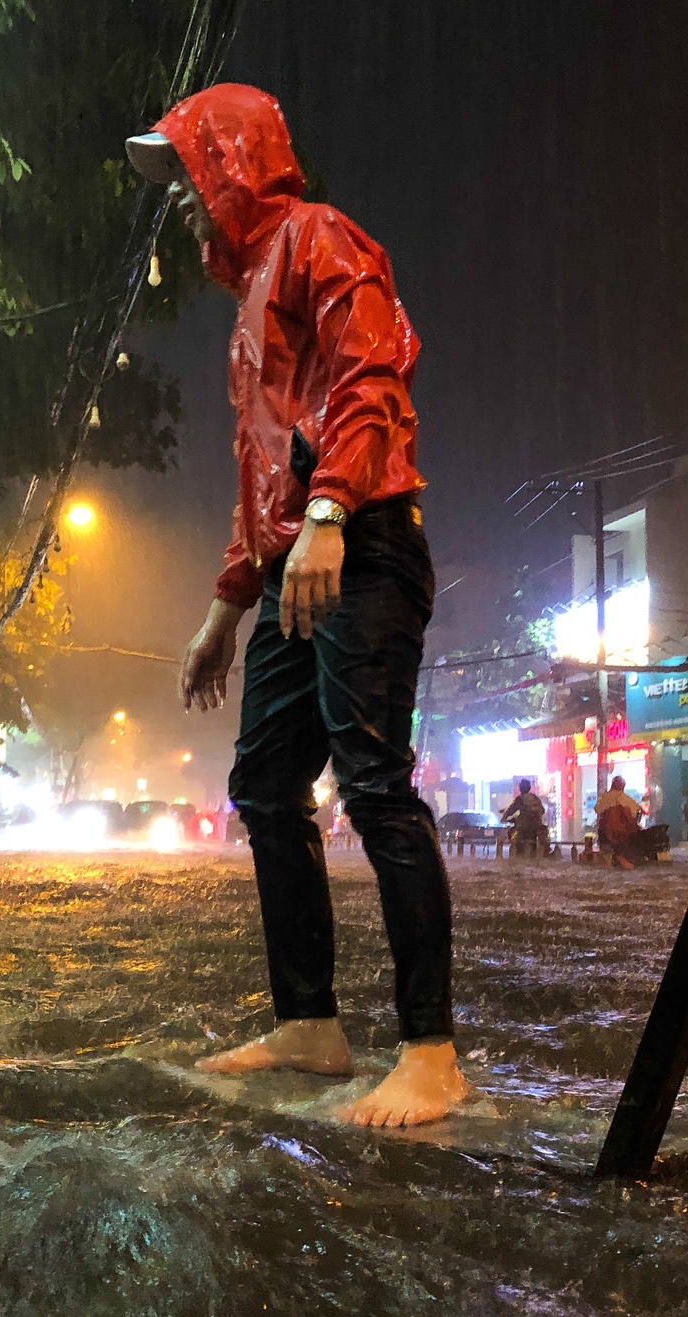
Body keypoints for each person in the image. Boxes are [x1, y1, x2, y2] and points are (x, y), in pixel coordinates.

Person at [138, 84, 468, 1127]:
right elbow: (256, 476)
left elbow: (371, 369)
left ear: (231, 165)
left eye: (189, 175)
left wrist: (330, 505)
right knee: (264, 783)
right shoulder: (244, 303)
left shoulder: (317, 236)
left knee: (371, 781)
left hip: (359, 546)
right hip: (296, 559)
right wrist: (223, 608)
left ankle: (430, 1051)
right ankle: (310, 1022)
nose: (183, 202)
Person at [594, 776, 643, 869]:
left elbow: (597, 809)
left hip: (605, 835)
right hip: (622, 836)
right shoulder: (624, 798)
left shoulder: (604, 797)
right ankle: (621, 857)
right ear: (622, 787)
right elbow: (637, 810)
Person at [501, 778, 549, 856]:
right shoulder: (535, 798)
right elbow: (542, 810)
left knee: (512, 834)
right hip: (538, 826)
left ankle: (516, 850)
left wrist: (504, 818)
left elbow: (510, 810)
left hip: (523, 827)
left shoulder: (520, 799)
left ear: (520, 788)